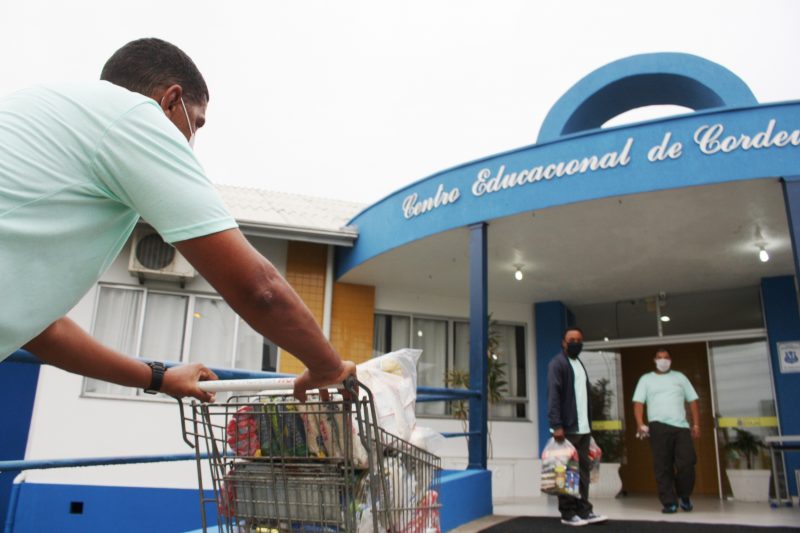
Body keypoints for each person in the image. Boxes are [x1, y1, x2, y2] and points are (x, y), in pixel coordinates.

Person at [0, 37, 355, 402]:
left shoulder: (44, 110)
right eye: (196, 123)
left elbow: (44, 331)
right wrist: (328, 366)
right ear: (171, 100)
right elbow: (259, 288)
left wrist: (160, 378)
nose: (191, 138)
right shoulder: (134, 116)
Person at [547, 326, 607, 527]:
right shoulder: (558, 364)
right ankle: (568, 513)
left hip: (583, 429)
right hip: (566, 429)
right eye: (571, 339)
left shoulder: (579, 364)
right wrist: (557, 425)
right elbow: (553, 395)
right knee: (566, 472)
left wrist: (589, 426)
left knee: (583, 472)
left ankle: (584, 510)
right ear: (564, 343)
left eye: (579, 340)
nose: (575, 343)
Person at [632, 347, 700, 513]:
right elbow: (638, 403)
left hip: (681, 427)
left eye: (666, 357)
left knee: (687, 463)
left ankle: (684, 496)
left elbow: (692, 401)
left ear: (671, 360)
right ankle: (669, 502)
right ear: (654, 360)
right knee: (663, 467)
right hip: (658, 427)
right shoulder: (646, 379)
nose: (663, 360)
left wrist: (696, 424)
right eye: (659, 357)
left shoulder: (680, 377)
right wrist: (640, 423)